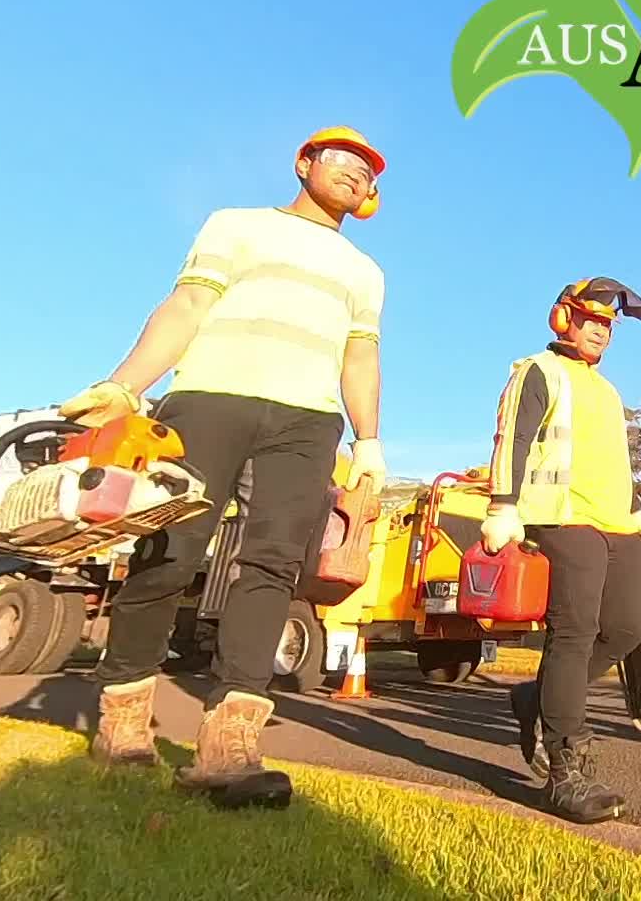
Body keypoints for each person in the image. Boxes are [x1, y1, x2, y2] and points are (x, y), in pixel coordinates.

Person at [65, 126, 392, 810]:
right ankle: (124, 719)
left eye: (368, 171)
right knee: (171, 550)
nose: (356, 176)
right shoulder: (236, 226)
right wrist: (126, 384)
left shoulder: (366, 272)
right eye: (342, 162)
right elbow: (188, 305)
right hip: (211, 400)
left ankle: (229, 744)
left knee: (275, 566)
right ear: (304, 164)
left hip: (306, 422)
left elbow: (359, 358)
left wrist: (368, 441)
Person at [486, 277, 641, 824]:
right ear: (564, 318)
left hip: (615, 524)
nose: (601, 332)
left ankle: (536, 698)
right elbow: (512, 438)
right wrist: (502, 506)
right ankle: (565, 770)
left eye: (608, 325)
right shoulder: (539, 371)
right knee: (575, 633)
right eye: (592, 320)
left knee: (628, 627)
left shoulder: (607, 391)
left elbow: (613, 460)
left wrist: (633, 511)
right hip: (562, 517)